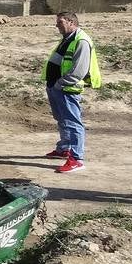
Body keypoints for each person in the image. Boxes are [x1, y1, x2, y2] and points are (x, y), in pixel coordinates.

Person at [43, 12, 101, 174]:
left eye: (60, 22)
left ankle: (76, 159)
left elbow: (79, 70)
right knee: (62, 119)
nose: (57, 25)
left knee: (73, 122)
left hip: (67, 89)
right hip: (56, 87)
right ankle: (64, 148)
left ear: (71, 22)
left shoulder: (81, 41)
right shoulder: (68, 38)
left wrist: (60, 84)